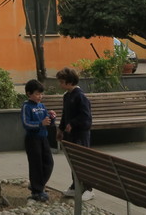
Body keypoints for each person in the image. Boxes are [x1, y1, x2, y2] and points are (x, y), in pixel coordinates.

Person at [56, 66, 93, 200]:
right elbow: (65, 115)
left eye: (61, 82)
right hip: (70, 134)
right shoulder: (67, 96)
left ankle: (88, 188)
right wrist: (60, 129)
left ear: (69, 82)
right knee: (73, 161)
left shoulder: (80, 96)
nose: (59, 84)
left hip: (80, 134)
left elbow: (86, 117)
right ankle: (76, 185)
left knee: (82, 161)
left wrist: (73, 123)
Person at [21, 79, 55, 202]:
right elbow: (26, 123)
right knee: (36, 165)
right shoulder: (26, 106)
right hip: (32, 139)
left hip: (43, 138)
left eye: (41, 94)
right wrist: (40, 124)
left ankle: (37, 185)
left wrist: (51, 117)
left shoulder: (42, 106)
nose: (40, 96)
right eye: (37, 94)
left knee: (49, 163)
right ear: (29, 94)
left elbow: (47, 122)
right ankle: (37, 191)